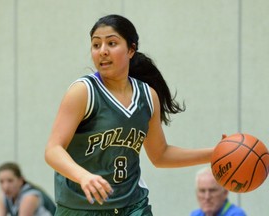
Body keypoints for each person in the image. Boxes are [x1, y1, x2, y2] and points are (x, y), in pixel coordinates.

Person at [44, 14, 214, 215]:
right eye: (96, 45)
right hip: (81, 207)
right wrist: (83, 177)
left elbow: (160, 155)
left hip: (132, 206)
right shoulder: (83, 91)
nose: (103, 51)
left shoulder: (148, 96)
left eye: (112, 43)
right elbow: (53, 150)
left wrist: (215, 153)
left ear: (131, 50)